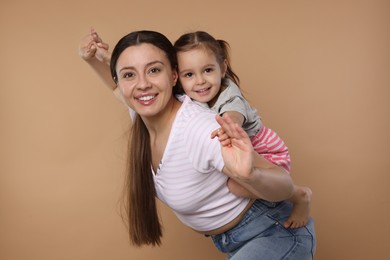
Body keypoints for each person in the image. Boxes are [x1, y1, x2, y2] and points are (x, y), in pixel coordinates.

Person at [80, 29, 316, 259]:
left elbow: (284, 183)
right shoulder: (143, 114)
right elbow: (116, 87)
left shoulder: (202, 131)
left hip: (276, 232)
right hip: (237, 241)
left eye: (153, 70)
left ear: (173, 76)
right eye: (129, 75)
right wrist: (91, 59)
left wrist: (251, 175)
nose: (142, 85)